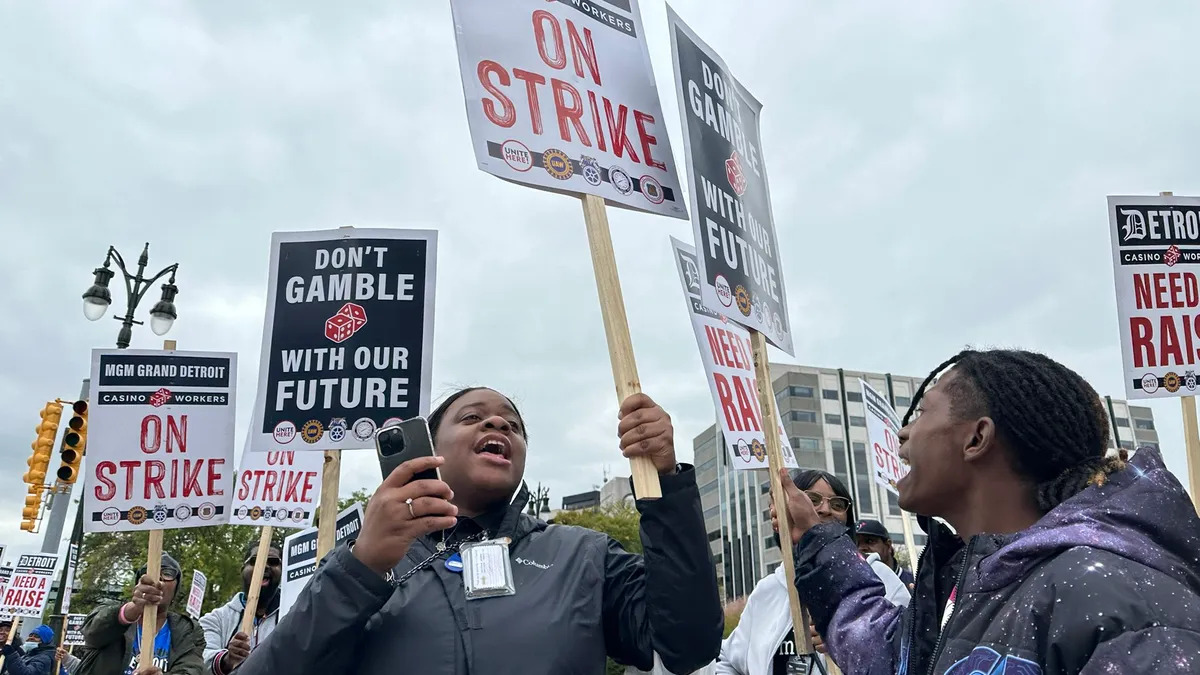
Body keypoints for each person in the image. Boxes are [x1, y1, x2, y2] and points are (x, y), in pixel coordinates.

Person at [239, 387, 723, 675]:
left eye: (513, 425)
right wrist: (359, 568)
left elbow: (688, 645)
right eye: (472, 417)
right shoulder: (362, 561)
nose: (498, 422)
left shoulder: (584, 555)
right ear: (429, 445)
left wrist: (664, 484)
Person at [782, 348, 1200, 674]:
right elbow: (889, 659)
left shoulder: (1118, 600)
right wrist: (817, 539)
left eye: (923, 411)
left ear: (977, 438)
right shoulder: (979, 589)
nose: (904, 430)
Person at [717, 470, 910, 675]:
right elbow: (729, 662)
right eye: (812, 500)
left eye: (837, 504)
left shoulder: (879, 575)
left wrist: (849, 640)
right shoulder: (767, 590)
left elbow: (908, 655)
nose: (826, 509)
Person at [77, 552, 206, 675]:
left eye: (167, 573)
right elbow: (91, 633)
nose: (157, 579)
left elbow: (191, 670)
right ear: (138, 584)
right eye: (148, 573)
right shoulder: (110, 613)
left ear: (176, 589)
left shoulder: (189, 630)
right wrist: (131, 611)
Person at [199, 543, 282, 674]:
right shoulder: (215, 620)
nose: (264, 566)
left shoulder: (294, 615)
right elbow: (199, 660)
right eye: (255, 560)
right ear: (243, 569)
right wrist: (226, 659)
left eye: (272, 562)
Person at [854, 519, 915, 587]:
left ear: (888, 546)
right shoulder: (851, 585)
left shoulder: (914, 583)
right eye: (856, 543)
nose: (861, 548)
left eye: (869, 541)